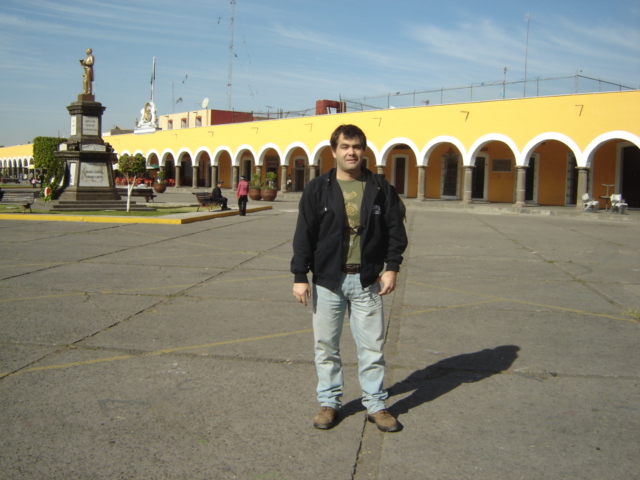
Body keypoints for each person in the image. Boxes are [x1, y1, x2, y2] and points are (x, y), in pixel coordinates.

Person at [291, 124, 408, 432]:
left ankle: (376, 405)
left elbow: (396, 230)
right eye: (345, 146)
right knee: (326, 346)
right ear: (334, 151)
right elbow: (304, 234)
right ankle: (329, 402)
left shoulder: (380, 187)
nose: (351, 152)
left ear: (364, 151)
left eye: (356, 147)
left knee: (372, 347)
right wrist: (300, 275)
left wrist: (392, 267)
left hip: (367, 280)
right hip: (328, 280)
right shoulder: (317, 188)